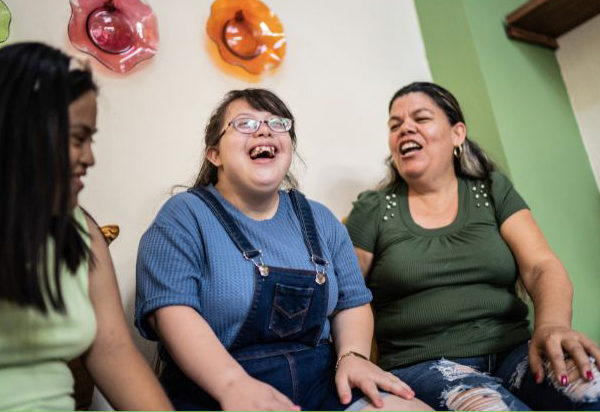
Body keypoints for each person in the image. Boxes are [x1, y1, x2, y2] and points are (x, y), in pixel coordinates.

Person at [134, 88, 431, 411]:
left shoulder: (320, 219)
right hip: (217, 388)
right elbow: (171, 313)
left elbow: (352, 302)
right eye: (245, 123)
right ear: (214, 154)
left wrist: (353, 357)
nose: (264, 130)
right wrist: (232, 384)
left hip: (322, 384)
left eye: (277, 124)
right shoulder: (183, 215)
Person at [346, 81, 600, 410]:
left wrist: (552, 325)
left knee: (590, 387)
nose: (405, 128)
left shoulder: (491, 190)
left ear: (457, 133)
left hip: (514, 352)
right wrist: (351, 357)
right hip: (424, 364)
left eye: (420, 119)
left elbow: (540, 267)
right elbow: (346, 295)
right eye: (395, 125)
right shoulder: (373, 209)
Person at [0, 42, 173, 411]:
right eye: (78, 138)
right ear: (21, 131)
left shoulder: (81, 232)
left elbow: (113, 351)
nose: (90, 158)